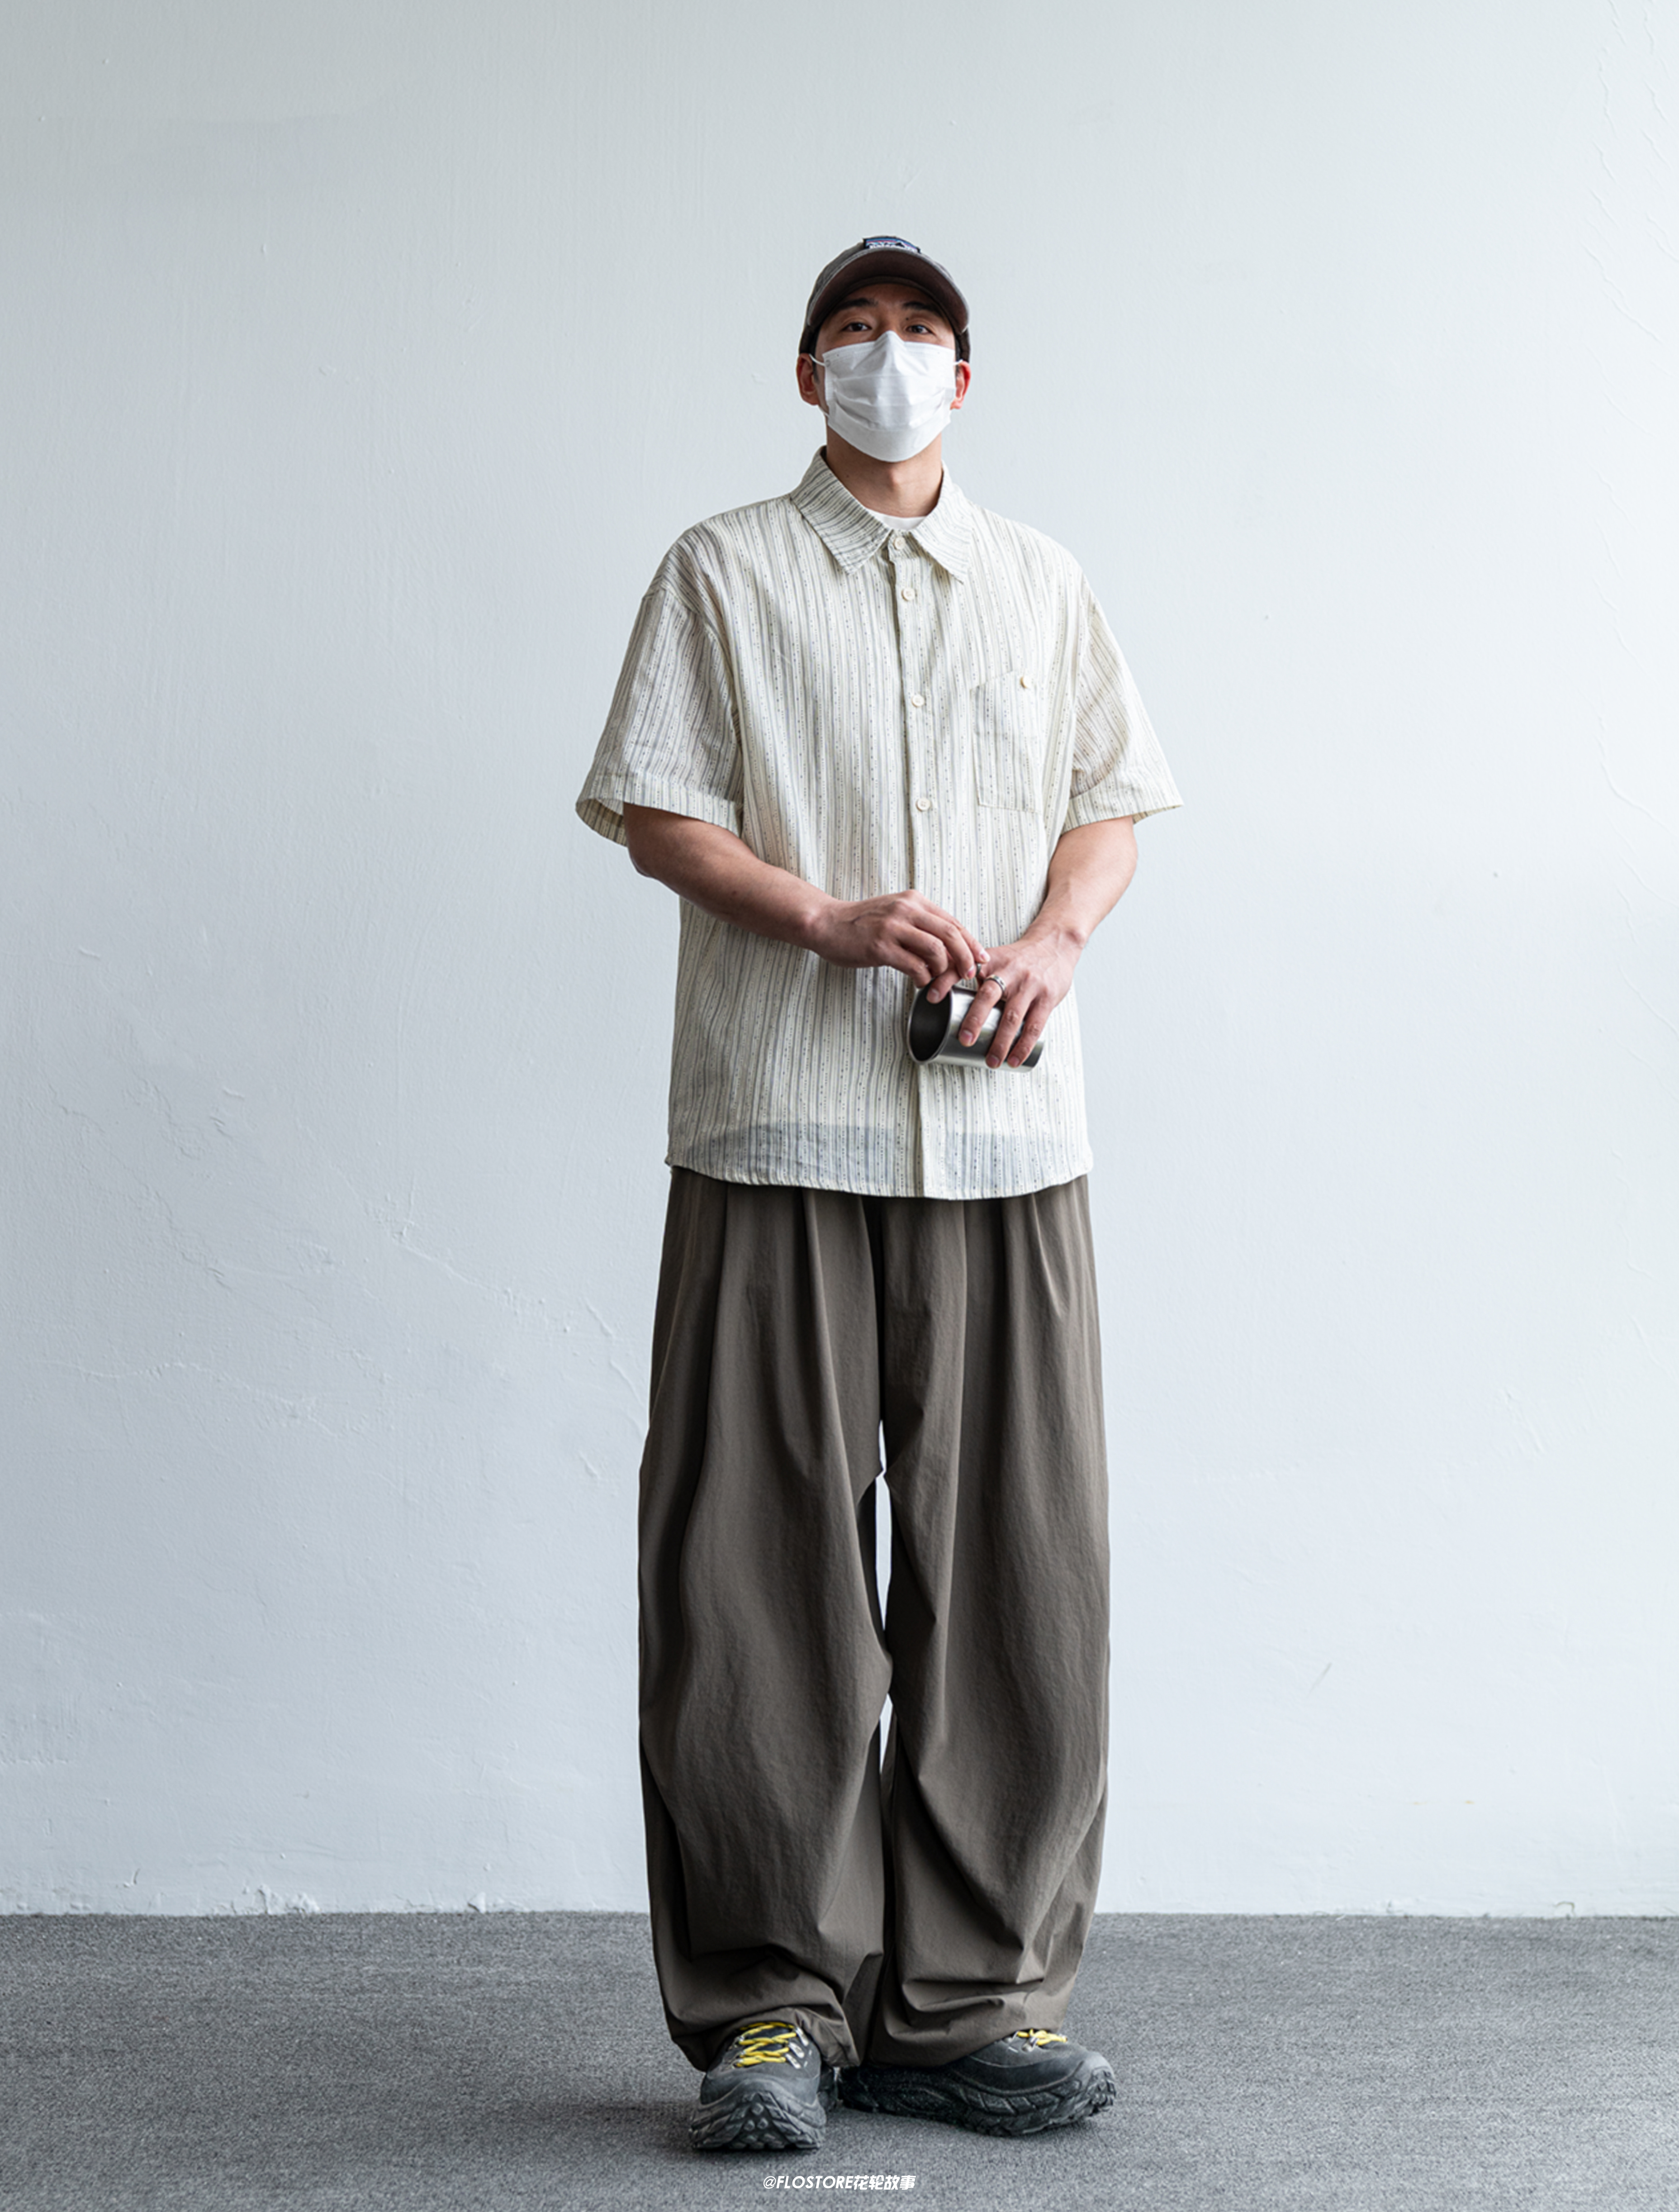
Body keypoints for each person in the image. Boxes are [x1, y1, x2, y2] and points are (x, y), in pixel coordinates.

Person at [575, 236, 1181, 2155]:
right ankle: (774, 2004)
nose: (889, 358)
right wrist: (827, 917)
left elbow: (1109, 799)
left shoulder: (1044, 581)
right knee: (751, 1574)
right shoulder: (723, 571)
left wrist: (1057, 942)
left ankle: (970, 2000)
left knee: (1023, 1569)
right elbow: (658, 806)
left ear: (965, 377)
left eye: (921, 333)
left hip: (1009, 1137)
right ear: (806, 371)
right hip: (778, 1117)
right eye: (855, 332)